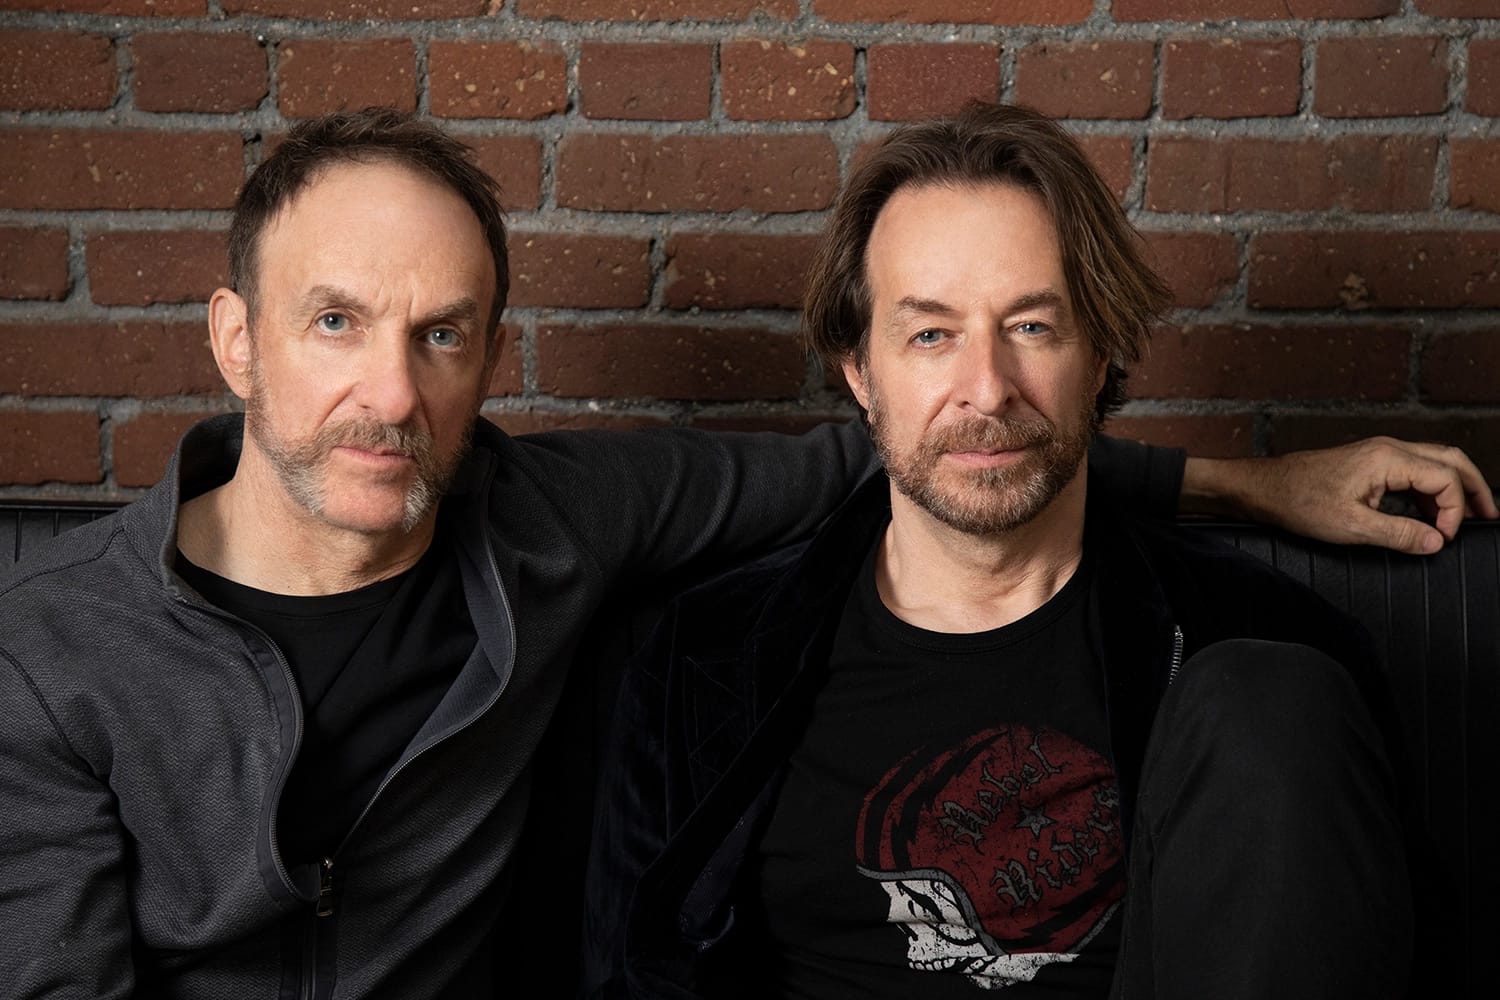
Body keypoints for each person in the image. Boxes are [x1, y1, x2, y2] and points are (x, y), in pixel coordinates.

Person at [0, 108, 1487, 999]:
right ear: (233, 338)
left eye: (442, 334)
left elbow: (964, 447)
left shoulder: (547, 524)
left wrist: (1250, 485)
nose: (391, 392)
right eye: (336, 321)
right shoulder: (51, 651)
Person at [581, 102, 1485, 999]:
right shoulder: (706, 663)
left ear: (1099, 358)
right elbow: (630, 971)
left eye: (1031, 327)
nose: (987, 389)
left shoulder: (1267, 640)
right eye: (931, 334)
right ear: (860, 370)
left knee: (1272, 695)